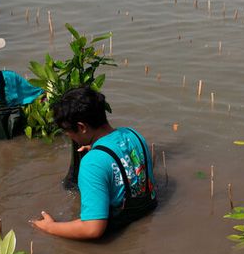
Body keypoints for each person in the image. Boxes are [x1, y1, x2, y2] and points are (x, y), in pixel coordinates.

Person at [31, 87, 156, 240]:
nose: (68, 135)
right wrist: (100, 151)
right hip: (148, 213)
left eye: (67, 131)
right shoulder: (133, 134)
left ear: (82, 127)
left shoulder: (91, 163)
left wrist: (50, 227)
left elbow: (92, 229)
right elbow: (139, 159)